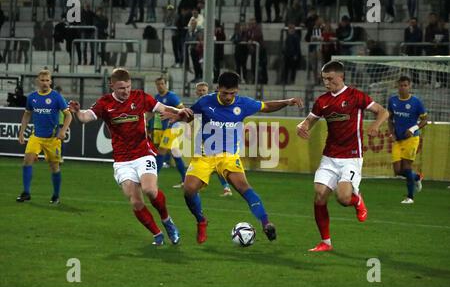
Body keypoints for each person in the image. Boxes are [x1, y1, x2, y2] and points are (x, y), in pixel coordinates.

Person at [164, 71, 303, 244]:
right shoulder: (205, 101)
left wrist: (287, 102)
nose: (229, 97)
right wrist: (180, 116)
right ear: (217, 89)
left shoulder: (243, 103)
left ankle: (266, 223)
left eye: (232, 93)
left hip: (229, 156)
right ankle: (201, 221)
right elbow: (190, 114)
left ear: (237, 91)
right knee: (189, 190)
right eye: (225, 93)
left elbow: (266, 106)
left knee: (243, 187)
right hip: (204, 155)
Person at [68, 68, 181, 246]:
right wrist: (77, 111)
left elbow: (164, 108)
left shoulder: (140, 97)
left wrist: (180, 112)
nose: (126, 91)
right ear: (111, 85)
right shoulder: (104, 103)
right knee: (136, 202)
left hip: (143, 153)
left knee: (150, 190)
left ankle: (167, 221)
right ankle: (157, 233)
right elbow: (85, 117)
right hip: (122, 160)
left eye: (128, 87)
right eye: (121, 88)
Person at [296, 61, 389, 252]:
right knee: (320, 196)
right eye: (324, 79)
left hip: (352, 157)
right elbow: (309, 121)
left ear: (341, 77)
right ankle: (326, 242)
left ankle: (357, 200)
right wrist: (302, 127)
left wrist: (375, 125)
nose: (326, 83)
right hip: (329, 156)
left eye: (330, 79)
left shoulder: (356, 96)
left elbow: (383, 111)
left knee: (343, 198)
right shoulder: (322, 101)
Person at [16, 70, 73, 205]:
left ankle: (56, 196)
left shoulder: (56, 97)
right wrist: (21, 132)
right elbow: (27, 115)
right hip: (36, 136)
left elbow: (68, 115)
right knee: (27, 160)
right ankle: (26, 192)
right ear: (38, 81)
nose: (45, 83)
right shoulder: (32, 97)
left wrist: (63, 130)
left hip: (52, 139)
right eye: (42, 80)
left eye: (47, 80)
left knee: (54, 167)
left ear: (50, 81)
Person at [387, 76, 427, 204]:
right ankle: (417, 177)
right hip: (397, 140)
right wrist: (392, 133)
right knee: (397, 171)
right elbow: (389, 118)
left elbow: (425, 120)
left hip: (411, 138)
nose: (403, 88)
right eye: (401, 85)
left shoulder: (416, 102)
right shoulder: (392, 101)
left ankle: (410, 197)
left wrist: (413, 128)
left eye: (405, 85)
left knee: (406, 167)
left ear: (410, 86)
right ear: (397, 86)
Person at [195, 81, 232, 197]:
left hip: (215, 137)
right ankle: (199, 183)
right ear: (196, 92)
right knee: (203, 161)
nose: (201, 92)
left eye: (204, 90)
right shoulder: (200, 103)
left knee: (214, 164)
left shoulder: (212, 103)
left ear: (208, 91)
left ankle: (226, 187)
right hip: (205, 136)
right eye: (200, 90)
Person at [153, 77, 187, 188]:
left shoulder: (171, 96)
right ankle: (185, 180)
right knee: (176, 154)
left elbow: (182, 110)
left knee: (161, 151)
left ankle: (153, 180)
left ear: (166, 84)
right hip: (162, 129)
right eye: (158, 84)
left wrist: (173, 118)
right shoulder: (157, 97)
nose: (160, 86)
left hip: (172, 128)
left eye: (162, 84)